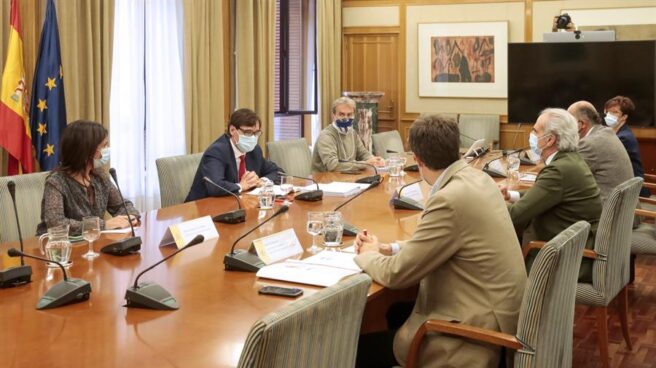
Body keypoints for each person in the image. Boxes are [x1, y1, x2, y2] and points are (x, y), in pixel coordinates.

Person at [354, 114, 526, 367]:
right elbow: (447, 243)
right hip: (500, 312)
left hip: (475, 333)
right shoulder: (479, 179)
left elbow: (397, 275)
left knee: (352, 351)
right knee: (395, 312)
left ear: (418, 158)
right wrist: (390, 248)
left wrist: (367, 253)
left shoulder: (449, 199)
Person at [501, 108, 602, 282]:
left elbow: (514, 216)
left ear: (549, 140)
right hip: (575, 246)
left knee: (495, 261)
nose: (531, 134)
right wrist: (511, 195)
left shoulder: (558, 171)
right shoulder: (570, 159)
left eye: (535, 131)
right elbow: (544, 193)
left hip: (563, 258)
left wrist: (488, 200)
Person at [37, 120, 139, 236]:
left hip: (91, 243)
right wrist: (103, 225)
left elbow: (121, 205)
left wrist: (130, 216)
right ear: (87, 151)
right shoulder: (56, 182)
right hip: (56, 247)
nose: (107, 149)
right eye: (104, 146)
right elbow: (56, 223)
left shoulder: (99, 176)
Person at [186, 108, 280, 201]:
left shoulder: (254, 150)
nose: (253, 138)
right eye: (248, 133)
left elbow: (276, 171)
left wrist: (261, 181)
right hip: (203, 208)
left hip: (237, 203)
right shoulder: (217, 151)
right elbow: (215, 186)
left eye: (256, 133)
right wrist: (241, 186)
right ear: (232, 130)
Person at [568, 100, 633, 204]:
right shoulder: (606, 132)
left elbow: (566, 177)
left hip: (607, 213)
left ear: (581, 124)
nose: (566, 127)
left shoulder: (589, 143)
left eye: (568, 123)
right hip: (623, 210)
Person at [311, 97, 385, 172]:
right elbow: (332, 165)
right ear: (333, 115)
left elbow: (363, 154)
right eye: (341, 114)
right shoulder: (326, 136)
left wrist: (374, 160)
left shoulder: (352, 133)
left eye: (349, 114)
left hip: (346, 178)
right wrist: (365, 163)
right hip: (324, 180)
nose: (346, 118)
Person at [603, 95, 650, 197]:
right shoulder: (612, 132)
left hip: (630, 189)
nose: (609, 115)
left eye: (615, 112)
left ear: (624, 117)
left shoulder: (624, 137)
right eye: (607, 111)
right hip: (621, 184)